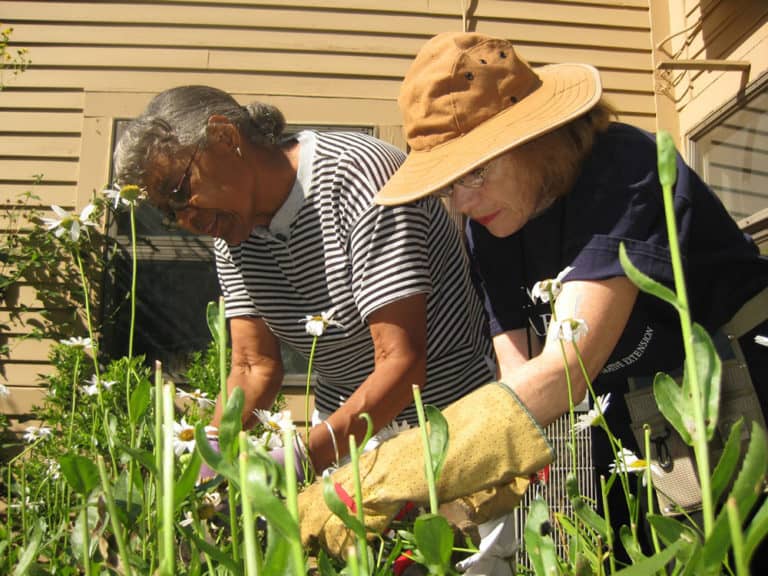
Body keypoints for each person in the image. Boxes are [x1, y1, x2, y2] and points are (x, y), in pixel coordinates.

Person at [370, 31, 768, 563]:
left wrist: (384, 477)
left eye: (475, 172)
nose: (462, 203)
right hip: (633, 402)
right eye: (448, 186)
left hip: (736, 371)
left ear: (539, 136)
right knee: (638, 553)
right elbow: (517, 382)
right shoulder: (490, 227)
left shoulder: (621, 167)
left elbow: (565, 370)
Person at [112, 85, 497, 480]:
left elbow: (402, 362)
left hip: (449, 420)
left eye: (180, 192)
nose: (184, 221)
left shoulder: (359, 176)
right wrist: (211, 453)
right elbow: (252, 366)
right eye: (167, 213)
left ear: (225, 137)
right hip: (344, 430)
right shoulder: (233, 232)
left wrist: (300, 461)